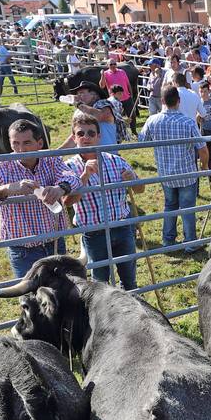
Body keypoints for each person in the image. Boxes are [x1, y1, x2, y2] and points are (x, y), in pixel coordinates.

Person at [0, 120, 77, 277]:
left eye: (27, 143)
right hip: (23, 248)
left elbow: (71, 176)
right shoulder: (1, 166)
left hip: (54, 242)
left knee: (59, 292)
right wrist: (7, 188)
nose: (21, 149)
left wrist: (61, 188)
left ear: (39, 143)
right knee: (30, 297)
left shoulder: (51, 160)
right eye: (15, 143)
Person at [65, 112, 144, 288]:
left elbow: (140, 189)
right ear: (74, 138)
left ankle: (130, 313)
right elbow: (67, 202)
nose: (86, 138)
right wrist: (84, 176)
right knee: (100, 285)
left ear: (98, 137)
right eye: (81, 133)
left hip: (123, 228)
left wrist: (133, 179)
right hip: (94, 233)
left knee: (129, 280)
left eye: (91, 133)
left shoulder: (116, 161)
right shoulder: (69, 167)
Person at [140, 84, 208, 250]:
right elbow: (203, 149)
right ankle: (190, 243)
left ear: (162, 101)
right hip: (186, 173)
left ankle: (168, 240)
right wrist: (204, 167)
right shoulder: (188, 122)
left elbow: (142, 141)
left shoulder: (152, 120)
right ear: (178, 101)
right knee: (187, 208)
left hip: (166, 173)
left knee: (170, 206)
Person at [71, 80, 123, 146]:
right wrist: (57, 152)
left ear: (94, 95)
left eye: (82, 93)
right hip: (85, 154)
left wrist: (78, 104)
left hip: (106, 154)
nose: (78, 96)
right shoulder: (79, 111)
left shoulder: (104, 106)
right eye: (77, 94)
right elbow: (75, 136)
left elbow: (97, 116)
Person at [102, 58, 135, 134]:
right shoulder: (105, 74)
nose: (113, 65)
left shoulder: (122, 71)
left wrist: (131, 94)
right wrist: (102, 75)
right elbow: (102, 86)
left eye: (114, 64)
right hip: (114, 100)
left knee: (131, 115)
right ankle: (119, 132)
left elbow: (128, 83)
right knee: (116, 117)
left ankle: (133, 131)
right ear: (107, 65)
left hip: (126, 97)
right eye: (111, 64)